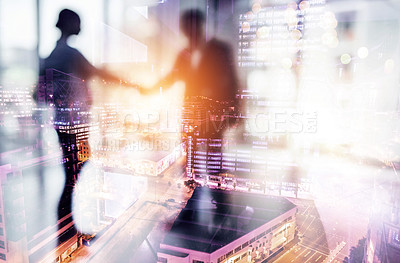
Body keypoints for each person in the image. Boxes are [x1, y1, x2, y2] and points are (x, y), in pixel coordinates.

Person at [38, 9, 132, 243]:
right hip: (73, 126)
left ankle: (66, 228)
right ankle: (66, 228)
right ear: (69, 24)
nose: (82, 27)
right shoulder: (70, 54)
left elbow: (38, 93)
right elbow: (98, 72)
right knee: (73, 176)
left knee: (72, 175)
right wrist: (131, 82)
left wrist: (59, 99)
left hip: (64, 125)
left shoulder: (52, 55)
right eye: (78, 22)